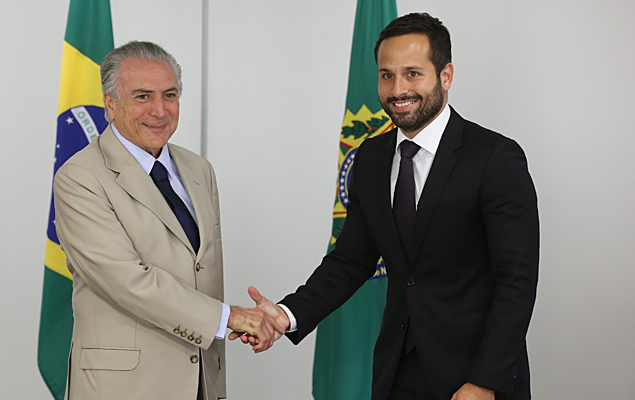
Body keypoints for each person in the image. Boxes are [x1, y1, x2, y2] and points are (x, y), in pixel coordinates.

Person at [231, 13, 539, 400]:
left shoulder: (495, 157)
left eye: (413, 73)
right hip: (397, 374)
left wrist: (485, 381)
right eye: (387, 75)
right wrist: (285, 314)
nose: (398, 89)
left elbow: (517, 282)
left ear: (445, 76)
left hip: (475, 378)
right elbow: (351, 261)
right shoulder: (371, 158)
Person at [54, 41, 282, 400]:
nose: (159, 110)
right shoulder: (80, 177)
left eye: (170, 95)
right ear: (110, 104)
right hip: (124, 388)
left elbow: (198, 268)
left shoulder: (198, 169)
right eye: (142, 96)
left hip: (202, 382)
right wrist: (230, 318)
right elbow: (128, 282)